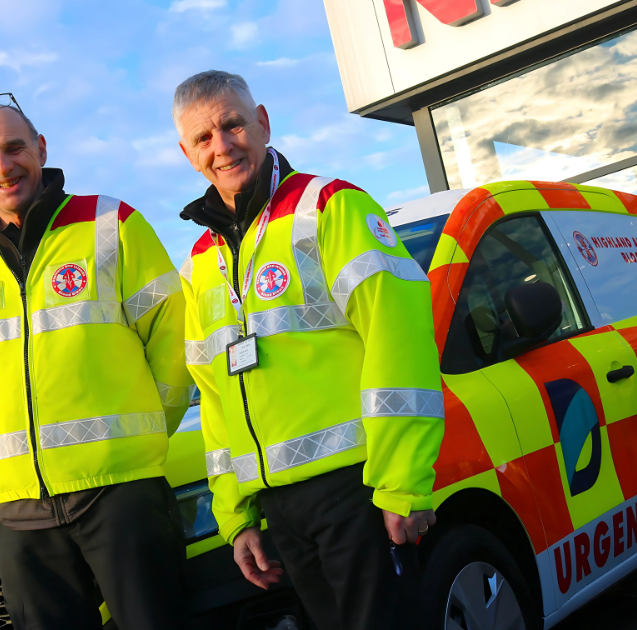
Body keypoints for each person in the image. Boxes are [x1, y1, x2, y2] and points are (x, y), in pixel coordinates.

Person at [173, 71, 444, 630]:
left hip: (358, 491)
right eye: (203, 138)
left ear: (263, 123)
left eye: (232, 125)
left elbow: (400, 341)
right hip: (280, 511)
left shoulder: (331, 208)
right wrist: (237, 517)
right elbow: (214, 395)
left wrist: (401, 483)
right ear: (187, 152)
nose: (221, 146)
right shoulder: (202, 259)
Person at [0, 94, 193, 630]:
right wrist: (13, 440)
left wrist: (142, 436)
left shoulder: (110, 223)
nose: (2, 166)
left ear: (41, 149)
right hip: (19, 508)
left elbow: (174, 337)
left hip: (122, 492)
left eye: (14, 147)